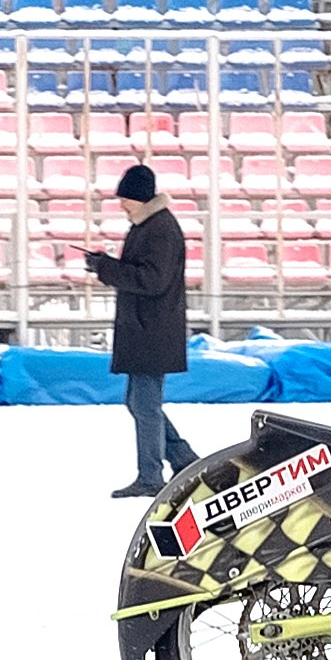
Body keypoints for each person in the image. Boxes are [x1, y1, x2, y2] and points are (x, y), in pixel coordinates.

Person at [86, 163, 200, 497]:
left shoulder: (159, 228)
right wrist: (105, 265)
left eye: (126, 199)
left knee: (144, 404)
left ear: (140, 197)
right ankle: (183, 458)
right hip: (147, 329)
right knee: (138, 402)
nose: (121, 204)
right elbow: (143, 273)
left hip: (152, 330)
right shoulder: (149, 225)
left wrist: (107, 268)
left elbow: (151, 280)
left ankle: (151, 476)